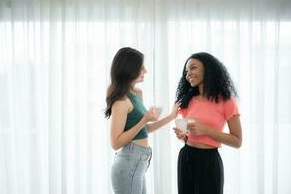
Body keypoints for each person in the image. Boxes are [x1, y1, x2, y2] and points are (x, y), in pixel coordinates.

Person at [104, 47, 180, 194]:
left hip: (139, 162)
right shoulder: (121, 101)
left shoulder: (137, 94)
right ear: (129, 69)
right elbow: (115, 143)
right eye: (141, 67)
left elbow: (145, 129)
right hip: (128, 162)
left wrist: (171, 116)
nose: (145, 71)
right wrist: (144, 119)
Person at [173, 52, 242, 194]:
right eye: (186, 71)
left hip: (209, 161)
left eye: (193, 68)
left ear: (208, 69)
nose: (188, 74)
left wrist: (206, 130)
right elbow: (188, 135)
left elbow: (237, 141)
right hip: (186, 157)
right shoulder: (188, 101)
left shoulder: (226, 101)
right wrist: (183, 136)